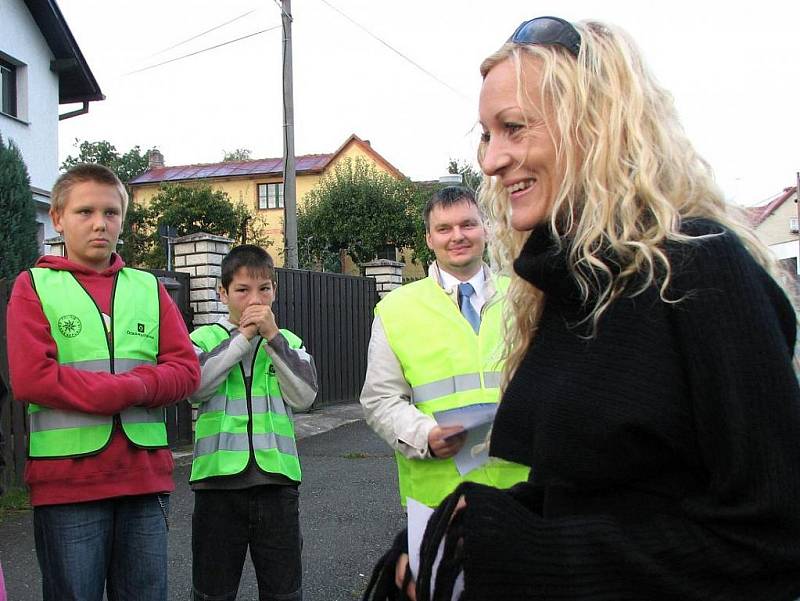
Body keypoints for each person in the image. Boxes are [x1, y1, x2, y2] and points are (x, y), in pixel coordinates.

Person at [364, 16, 800, 601]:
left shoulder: (701, 270)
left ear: (596, 124)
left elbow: (772, 539)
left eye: (514, 128)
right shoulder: (570, 285)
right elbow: (589, 492)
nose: (492, 160)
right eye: (488, 136)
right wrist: (449, 536)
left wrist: (520, 553)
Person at [6, 163, 200, 601]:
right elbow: (33, 379)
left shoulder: (148, 287)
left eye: (111, 213)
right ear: (57, 218)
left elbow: (187, 370)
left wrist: (128, 387)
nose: (100, 223)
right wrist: (137, 387)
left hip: (144, 481)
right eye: (85, 211)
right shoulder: (34, 286)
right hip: (68, 485)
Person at [360, 185, 529, 509]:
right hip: (438, 499)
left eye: (467, 224)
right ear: (429, 239)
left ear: (486, 229)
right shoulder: (397, 309)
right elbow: (379, 399)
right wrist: (425, 435)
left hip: (521, 493)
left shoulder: (525, 299)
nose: (457, 236)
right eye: (444, 228)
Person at [188, 244, 317, 601]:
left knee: (283, 592)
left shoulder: (288, 341)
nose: (254, 299)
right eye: (242, 290)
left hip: (276, 486)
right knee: (213, 592)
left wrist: (272, 339)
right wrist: (243, 338)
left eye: (264, 288)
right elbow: (194, 388)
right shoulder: (203, 339)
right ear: (223, 293)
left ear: (275, 290)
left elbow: (305, 396)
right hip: (217, 487)